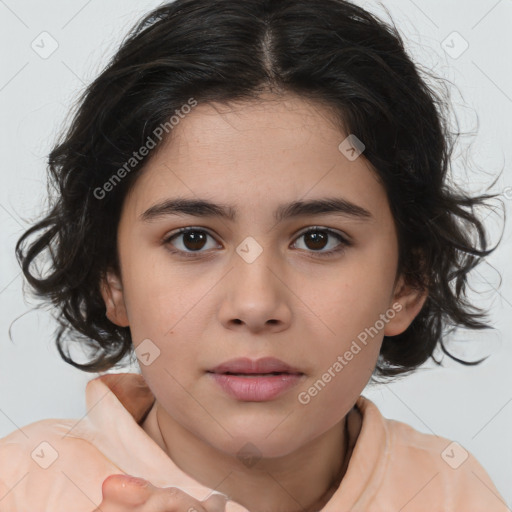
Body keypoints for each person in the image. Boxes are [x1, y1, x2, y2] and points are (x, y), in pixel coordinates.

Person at [0, 0, 508, 510]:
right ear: (112, 280)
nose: (255, 303)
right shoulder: (18, 487)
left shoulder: (454, 491)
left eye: (318, 239)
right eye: (193, 239)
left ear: (407, 283)